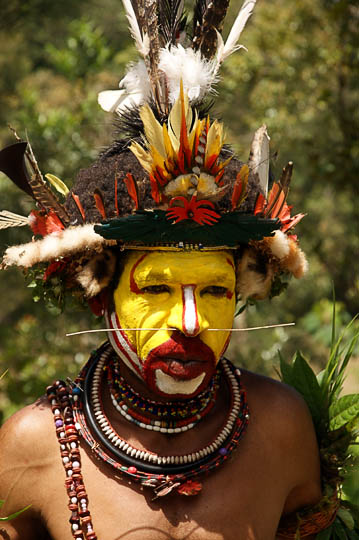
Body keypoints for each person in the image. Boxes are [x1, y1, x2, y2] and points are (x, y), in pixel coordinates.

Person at [0, 1, 341, 538]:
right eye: (156, 288)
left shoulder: (282, 428)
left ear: (244, 290)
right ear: (99, 290)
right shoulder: (34, 444)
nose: (188, 322)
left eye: (212, 291)